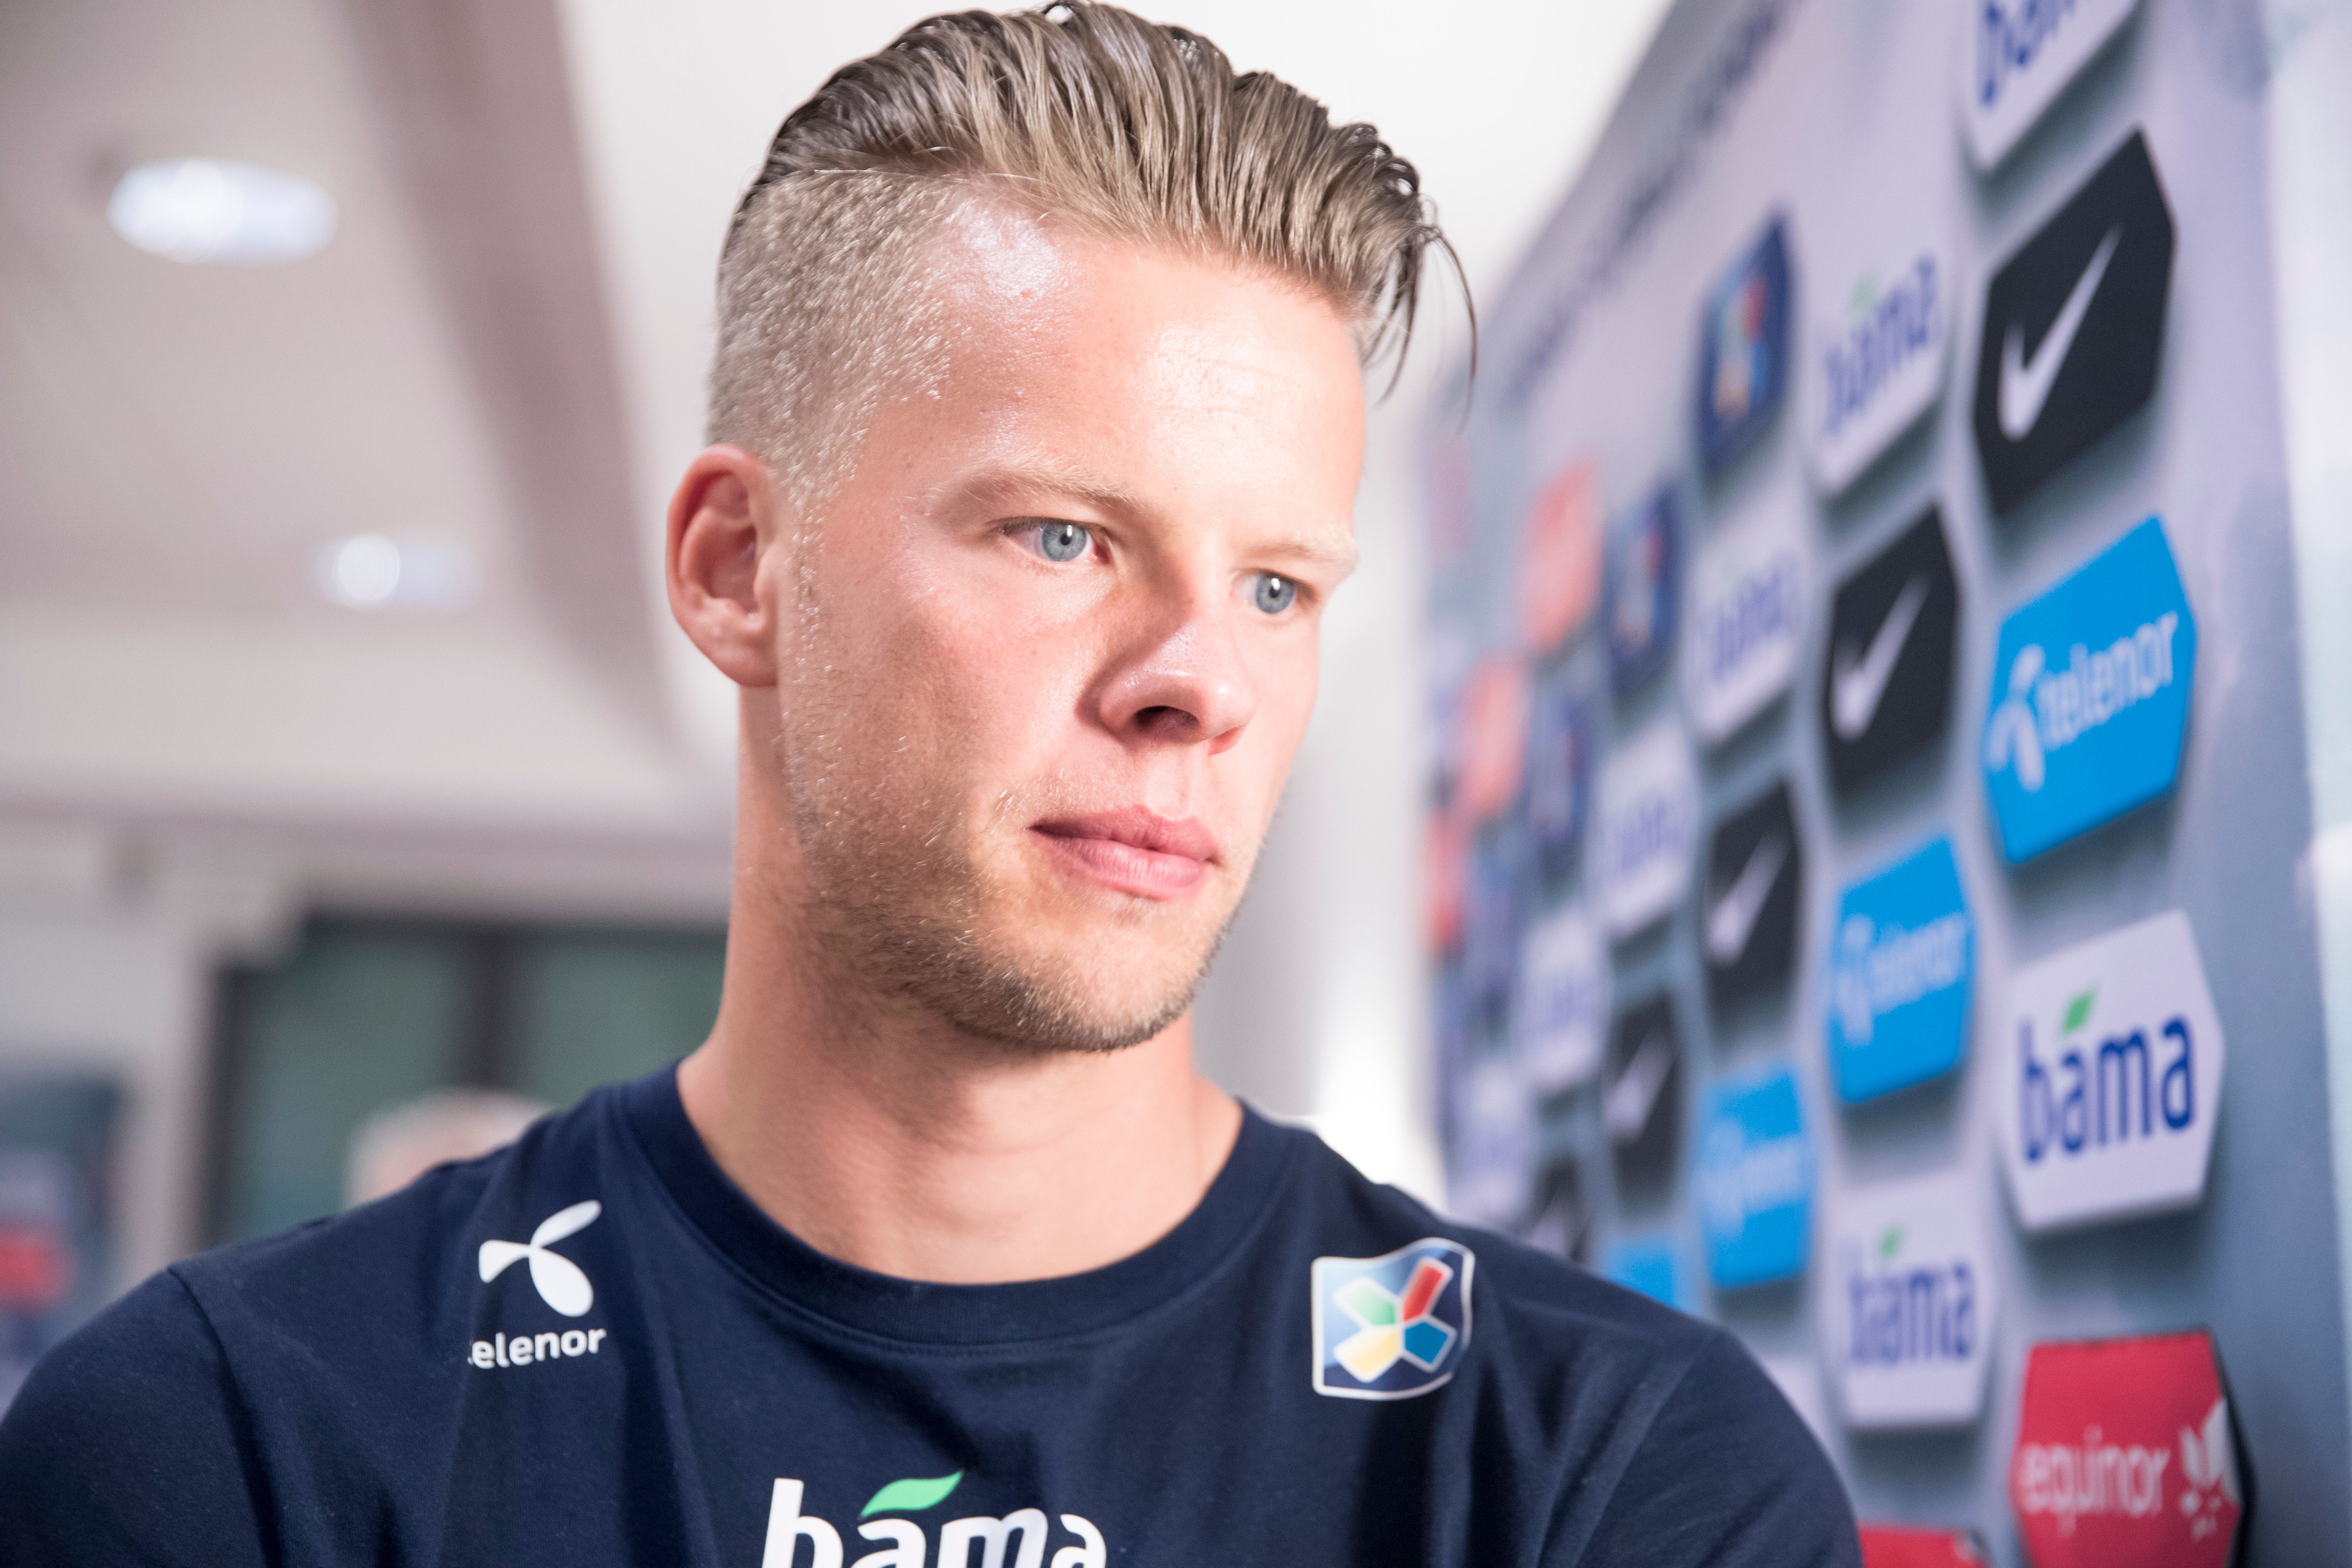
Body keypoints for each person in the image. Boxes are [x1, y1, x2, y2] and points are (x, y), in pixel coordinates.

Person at [0, 8, 1859, 1563]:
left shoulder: (1610, 1477)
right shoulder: (239, 1448)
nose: (1200, 684)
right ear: (740, 568)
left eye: (1278, 588)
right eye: (1064, 537)